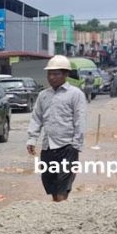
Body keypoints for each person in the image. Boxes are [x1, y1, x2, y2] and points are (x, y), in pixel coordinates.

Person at [26, 55, 87, 202]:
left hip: (67, 147)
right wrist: (32, 139)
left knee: (63, 184)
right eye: (49, 74)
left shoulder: (75, 94)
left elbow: (80, 120)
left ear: (66, 74)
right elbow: (37, 118)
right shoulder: (43, 95)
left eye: (56, 74)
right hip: (48, 147)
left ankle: (61, 213)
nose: (52, 77)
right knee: (50, 183)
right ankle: (57, 212)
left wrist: (76, 145)